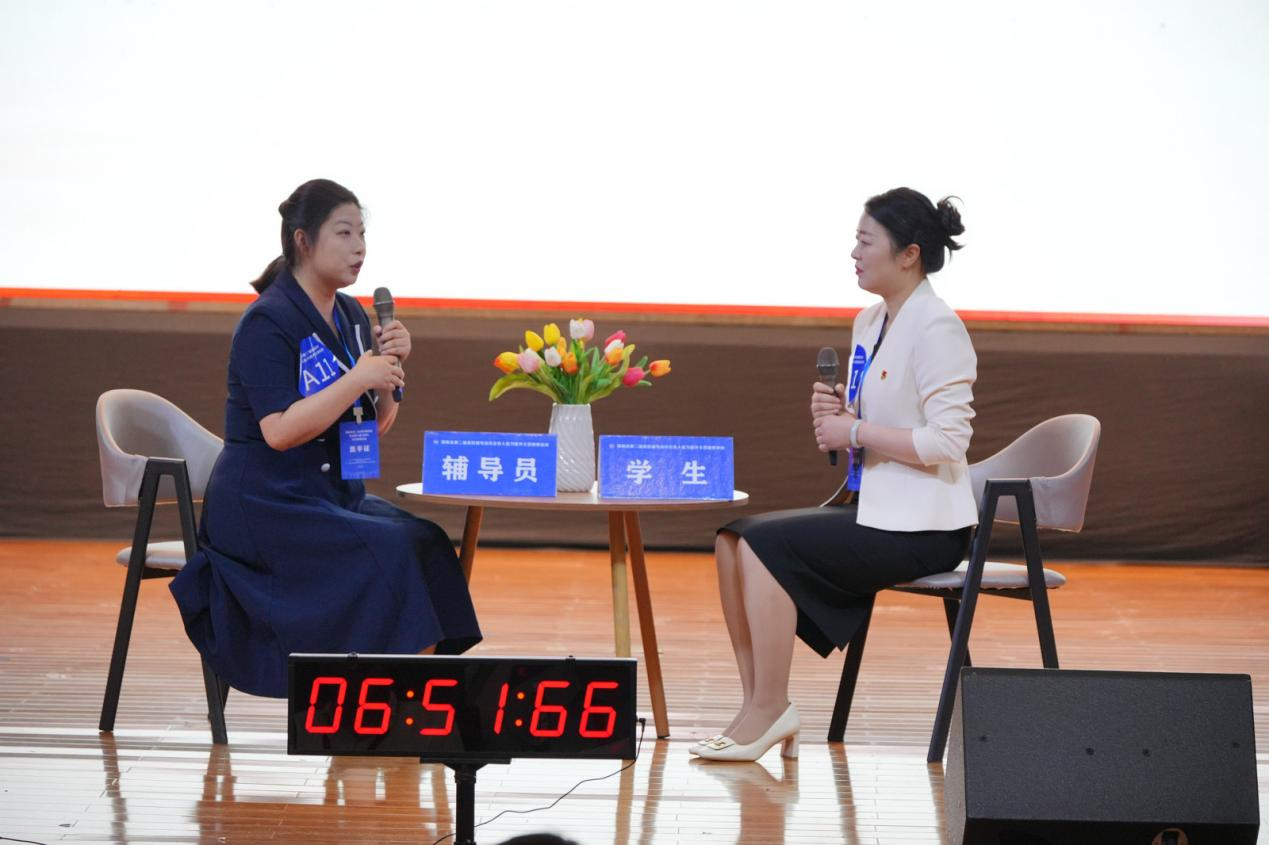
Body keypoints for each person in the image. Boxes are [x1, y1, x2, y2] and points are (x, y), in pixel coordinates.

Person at [694, 187, 976, 761]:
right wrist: (840, 415)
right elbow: (875, 420)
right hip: (875, 509)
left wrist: (857, 430)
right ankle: (757, 706)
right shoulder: (869, 321)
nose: (854, 252)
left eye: (866, 241)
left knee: (765, 545)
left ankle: (772, 707)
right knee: (732, 539)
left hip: (925, 528)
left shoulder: (938, 327)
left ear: (909, 255)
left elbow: (948, 441)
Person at [170, 179, 481, 698]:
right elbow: (279, 431)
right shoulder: (266, 321)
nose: (359, 247)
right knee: (392, 552)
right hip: (267, 505)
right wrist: (357, 378)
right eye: (344, 233)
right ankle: (377, 706)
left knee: (426, 542)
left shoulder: (352, 315)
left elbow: (373, 426)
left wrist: (389, 372)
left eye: (362, 233)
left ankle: (402, 701)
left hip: (331, 495)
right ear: (303, 240)